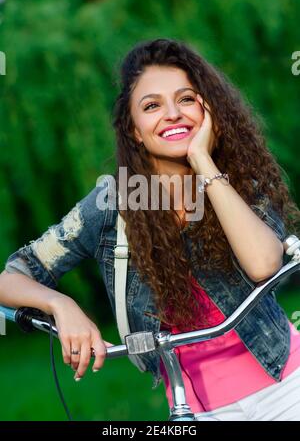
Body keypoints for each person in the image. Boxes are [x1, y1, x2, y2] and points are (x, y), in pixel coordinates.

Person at [0, 38, 300, 421]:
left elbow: (263, 264)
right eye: (152, 105)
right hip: (200, 408)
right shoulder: (112, 203)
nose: (173, 114)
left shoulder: (236, 182)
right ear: (136, 131)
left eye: (187, 99)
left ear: (210, 112)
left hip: (288, 384)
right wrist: (61, 306)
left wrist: (203, 162)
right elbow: (11, 277)